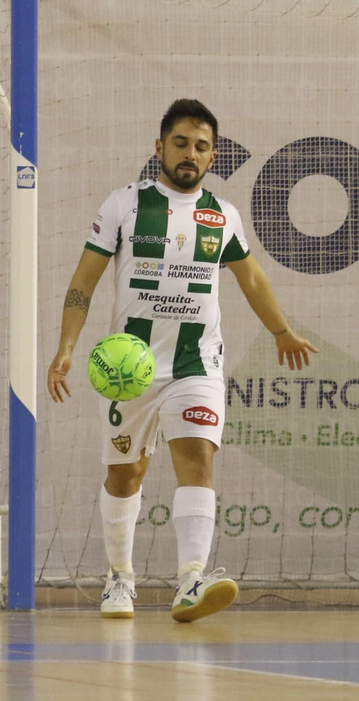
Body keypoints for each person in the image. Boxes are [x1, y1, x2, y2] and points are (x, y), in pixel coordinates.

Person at [46, 99, 319, 622]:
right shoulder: (125, 205)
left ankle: (191, 579)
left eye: (200, 146)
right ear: (160, 148)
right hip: (128, 370)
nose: (189, 154)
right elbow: (83, 282)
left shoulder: (223, 215)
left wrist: (281, 332)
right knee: (126, 474)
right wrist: (66, 349)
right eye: (180, 143)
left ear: (212, 156)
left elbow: (251, 278)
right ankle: (120, 578)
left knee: (198, 458)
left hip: (197, 365)